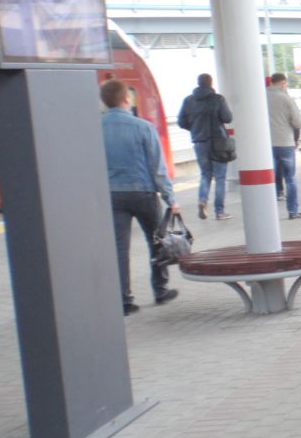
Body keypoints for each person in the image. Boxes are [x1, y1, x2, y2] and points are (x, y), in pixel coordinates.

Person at [100, 79, 181, 315]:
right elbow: (157, 168)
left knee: (119, 248)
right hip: (143, 193)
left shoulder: (94, 128)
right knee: (156, 241)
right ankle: (160, 290)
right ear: (127, 98)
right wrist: (170, 199)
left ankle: (124, 301)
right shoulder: (143, 127)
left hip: (112, 195)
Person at [177, 74, 233, 220]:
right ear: (210, 83)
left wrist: (195, 128)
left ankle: (203, 200)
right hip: (218, 141)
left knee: (205, 174)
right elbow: (227, 118)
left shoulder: (188, 100)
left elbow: (181, 121)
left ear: (198, 83)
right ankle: (219, 211)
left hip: (199, 141)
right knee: (220, 177)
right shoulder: (218, 99)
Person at [265, 72, 301, 220]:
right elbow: (298, 123)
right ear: (282, 83)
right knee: (290, 179)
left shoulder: (260, 97)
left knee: (268, 178)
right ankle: (292, 211)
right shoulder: (286, 98)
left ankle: (267, 213)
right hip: (285, 143)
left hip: (266, 145)